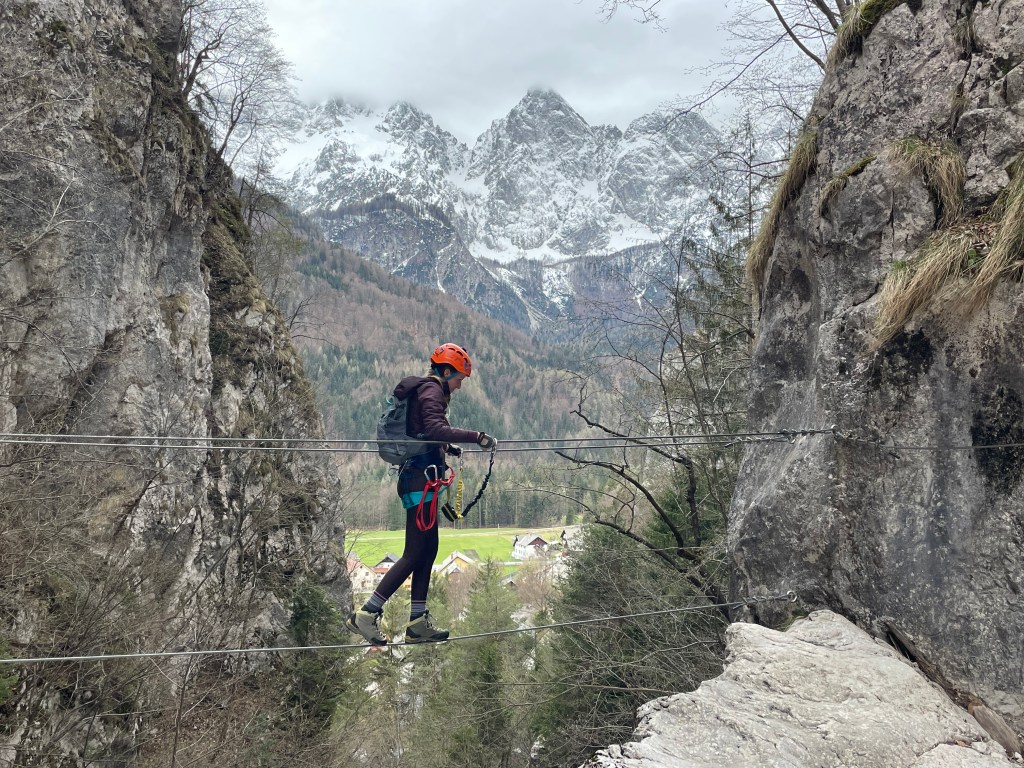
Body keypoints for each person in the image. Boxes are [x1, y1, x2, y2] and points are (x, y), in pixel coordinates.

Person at [347, 343, 497, 645]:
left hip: (421, 479)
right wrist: (476, 437)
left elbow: (424, 433)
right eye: (459, 379)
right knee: (414, 552)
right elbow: (434, 428)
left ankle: (417, 622)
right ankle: (367, 613)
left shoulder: (428, 390)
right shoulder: (432, 390)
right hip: (419, 481)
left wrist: (446, 448)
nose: (460, 385)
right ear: (446, 371)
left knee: (428, 550)